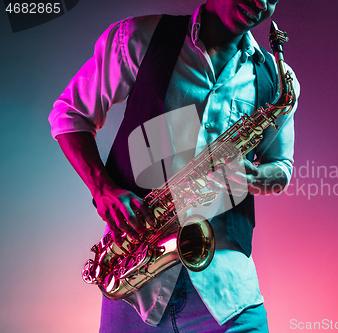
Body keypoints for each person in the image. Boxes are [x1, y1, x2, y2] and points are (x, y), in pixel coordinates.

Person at [49, 0, 299, 331]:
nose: (260, 3)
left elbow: (281, 168)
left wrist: (251, 176)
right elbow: (69, 114)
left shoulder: (277, 81)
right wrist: (103, 188)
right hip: (137, 286)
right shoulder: (140, 37)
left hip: (226, 286)